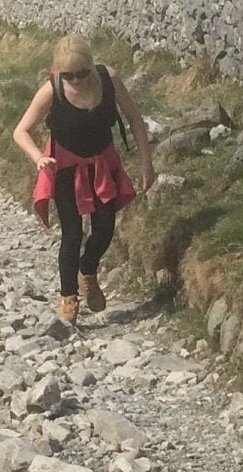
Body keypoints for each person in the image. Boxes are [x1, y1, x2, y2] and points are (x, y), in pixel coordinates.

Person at [12, 34, 156, 325]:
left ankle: (87, 271)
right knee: (72, 233)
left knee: (105, 228)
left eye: (82, 73)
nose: (76, 80)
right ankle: (68, 298)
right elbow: (20, 131)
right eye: (69, 75)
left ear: (91, 66)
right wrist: (39, 159)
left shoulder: (109, 79)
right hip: (65, 167)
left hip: (102, 162)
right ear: (58, 72)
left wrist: (146, 162)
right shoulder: (51, 91)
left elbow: (135, 120)